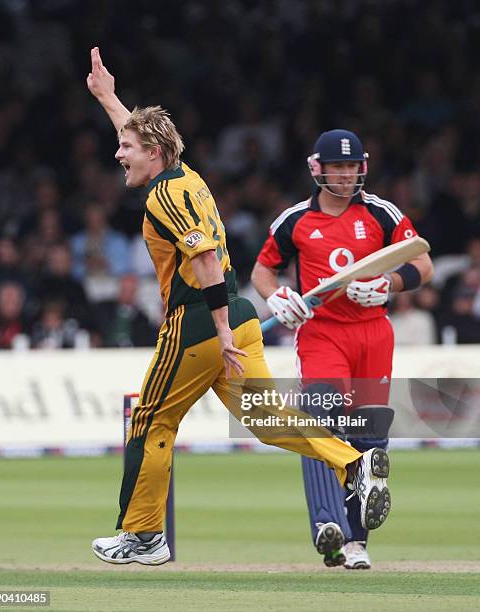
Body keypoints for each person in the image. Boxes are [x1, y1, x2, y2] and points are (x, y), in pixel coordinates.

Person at [87, 48, 391, 566]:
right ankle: (353, 464)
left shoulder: (163, 196)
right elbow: (141, 139)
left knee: (151, 422)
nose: (119, 154)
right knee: (269, 420)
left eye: (127, 147)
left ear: (155, 152)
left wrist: (220, 330)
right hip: (239, 314)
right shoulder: (187, 177)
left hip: (201, 324)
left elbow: (203, 255)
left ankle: (143, 535)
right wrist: (108, 98)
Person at [252, 129, 434, 569]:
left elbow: (422, 263)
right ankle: (326, 526)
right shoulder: (295, 220)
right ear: (319, 169)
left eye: (353, 166)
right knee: (318, 422)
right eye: (338, 166)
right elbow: (263, 270)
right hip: (322, 334)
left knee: (369, 437)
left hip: (372, 333)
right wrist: (277, 297)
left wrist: (387, 285)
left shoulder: (382, 213)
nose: (347, 175)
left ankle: (356, 542)